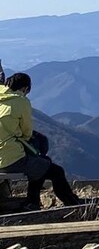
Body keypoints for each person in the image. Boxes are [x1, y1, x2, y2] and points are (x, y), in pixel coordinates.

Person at [0, 73, 81, 210]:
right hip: (9, 159)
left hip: (3, 156)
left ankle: (33, 201)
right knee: (55, 170)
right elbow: (27, 132)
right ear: (25, 89)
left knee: (41, 164)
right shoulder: (21, 101)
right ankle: (71, 204)